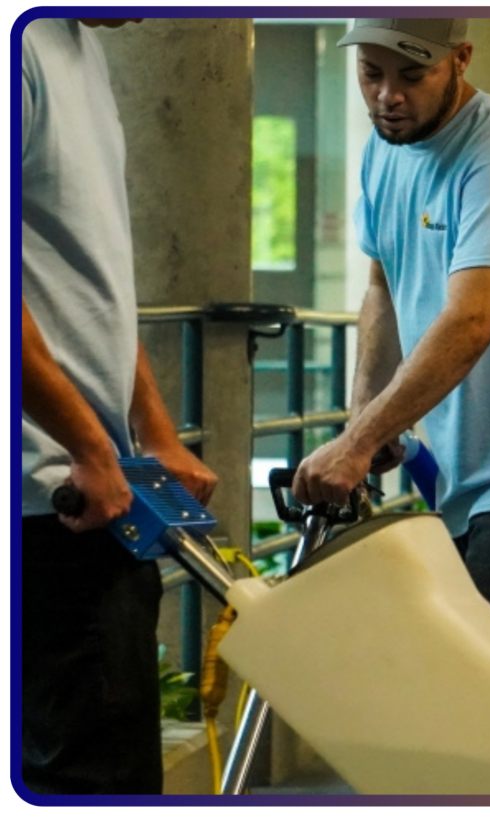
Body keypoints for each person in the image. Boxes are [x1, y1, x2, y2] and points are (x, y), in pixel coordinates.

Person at [292, 18, 490, 690]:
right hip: (464, 475)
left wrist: (358, 442)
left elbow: (471, 320)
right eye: (371, 74)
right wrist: (366, 422)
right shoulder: (386, 150)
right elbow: (381, 286)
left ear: (461, 59)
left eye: (412, 75)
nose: (388, 95)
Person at [21, 18, 218, 794]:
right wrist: (90, 449)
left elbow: (91, 277)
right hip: (50, 500)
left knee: (118, 763)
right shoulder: (21, 50)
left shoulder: (84, 48)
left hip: (96, 487)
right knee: (89, 776)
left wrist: (153, 430)